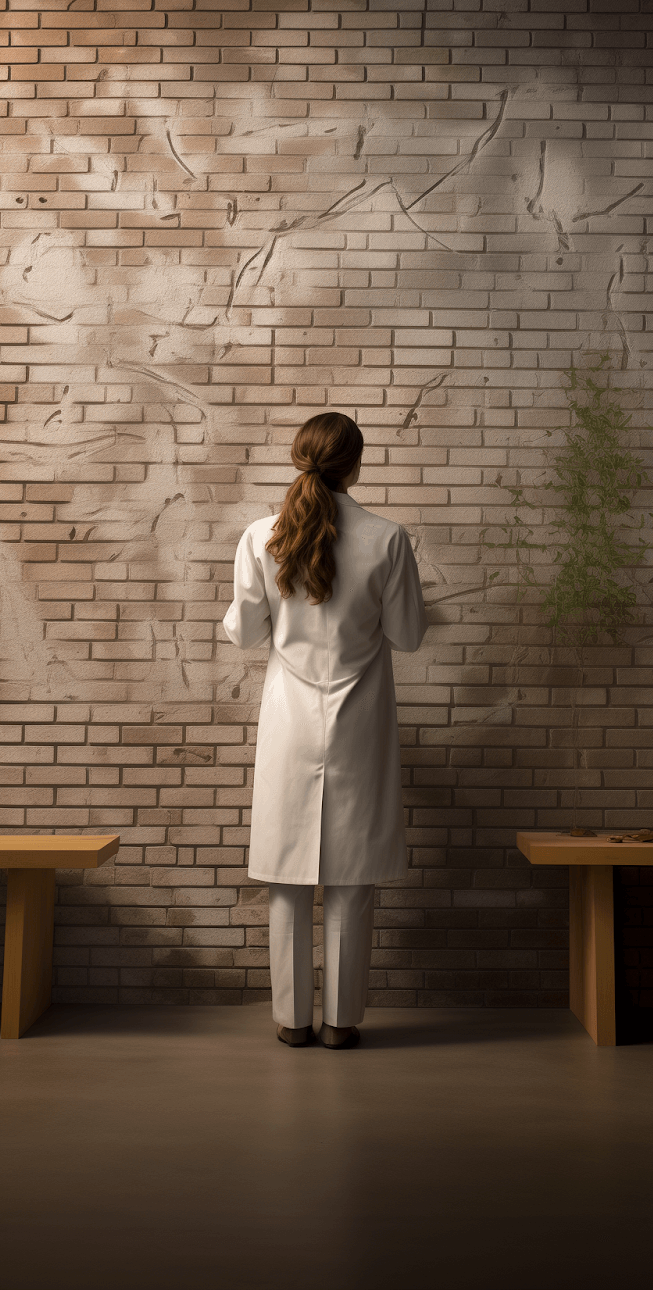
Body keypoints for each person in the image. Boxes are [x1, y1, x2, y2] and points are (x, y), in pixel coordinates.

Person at [222, 412, 428, 1049]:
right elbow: (408, 635)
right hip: (359, 723)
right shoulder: (388, 538)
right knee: (351, 876)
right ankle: (341, 1023)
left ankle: (292, 1021)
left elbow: (246, 633)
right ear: (356, 465)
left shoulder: (262, 535)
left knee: (287, 877)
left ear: (298, 459)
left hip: (289, 723)